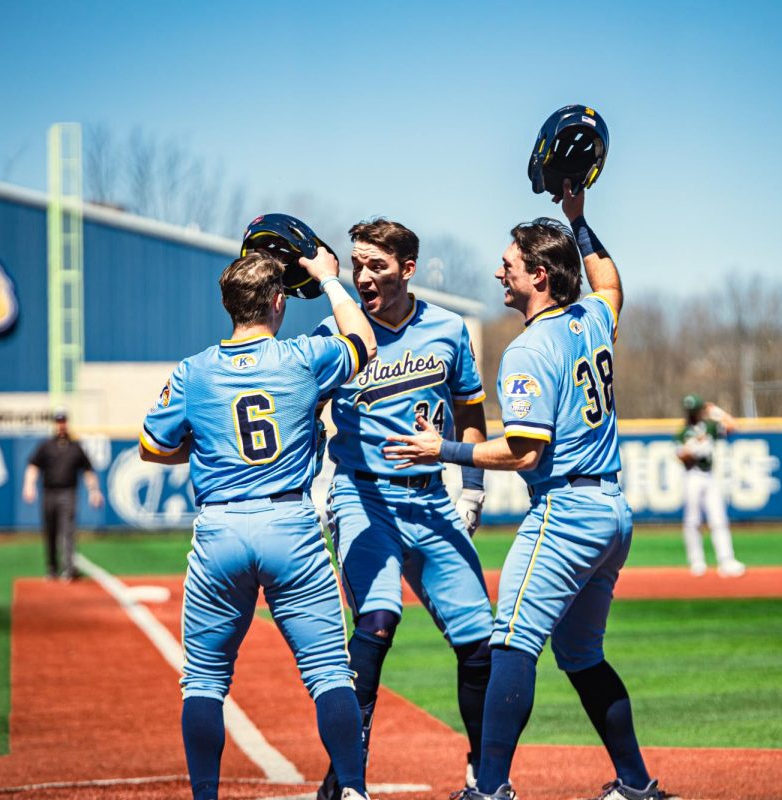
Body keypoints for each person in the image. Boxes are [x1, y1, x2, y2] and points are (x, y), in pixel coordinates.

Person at [385, 182, 671, 800]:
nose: (498, 272)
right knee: (582, 654)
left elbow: (524, 451)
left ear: (538, 275)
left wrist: (445, 450)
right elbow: (612, 286)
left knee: (510, 642)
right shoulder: (592, 318)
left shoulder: (528, 349)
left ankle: (489, 789)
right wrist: (581, 219)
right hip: (612, 514)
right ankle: (636, 783)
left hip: (565, 511)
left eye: (509, 264)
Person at [139, 248, 378, 800]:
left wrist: (202, 453)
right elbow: (362, 340)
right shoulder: (303, 357)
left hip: (221, 525)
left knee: (203, 681)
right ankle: (355, 791)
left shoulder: (193, 370)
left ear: (228, 304)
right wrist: (330, 281)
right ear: (277, 302)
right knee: (329, 675)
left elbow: (153, 445)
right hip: (289, 522)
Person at [313, 218, 494, 798]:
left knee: (481, 642)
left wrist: (472, 488)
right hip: (362, 495)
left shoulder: (448, 329)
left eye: (378, 266)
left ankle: (484, 774)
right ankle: (348, 782)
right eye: (357, 264)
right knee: (378, 620)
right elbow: (300, 412)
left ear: (407, 268)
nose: (363, 276)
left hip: (431, 499)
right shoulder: (335, 332)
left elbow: (469, 410)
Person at [22, 409, 103, 580]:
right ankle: (52, 568)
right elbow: (33, 466)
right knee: (50, 531)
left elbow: (88, 471)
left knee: (67, 531)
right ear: (55, 424)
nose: (61, 424)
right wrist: (28, 486)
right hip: (49, 492)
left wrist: (94, 492)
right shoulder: (46, 446)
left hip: (68, 492)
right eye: (58, 421)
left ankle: (69, 568)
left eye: (63, 421)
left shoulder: (75, 447)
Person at [675, 394, 746, 578]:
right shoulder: (683, 432)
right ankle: (696, 561)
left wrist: (715, 411)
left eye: (695, 410)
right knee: (692, 520)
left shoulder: (710, 426)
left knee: (718, 519)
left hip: (709, 476)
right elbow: (680, 456)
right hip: (692, 475)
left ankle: (726, 561)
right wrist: (692, 447)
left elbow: (732, 425)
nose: (692, 414)